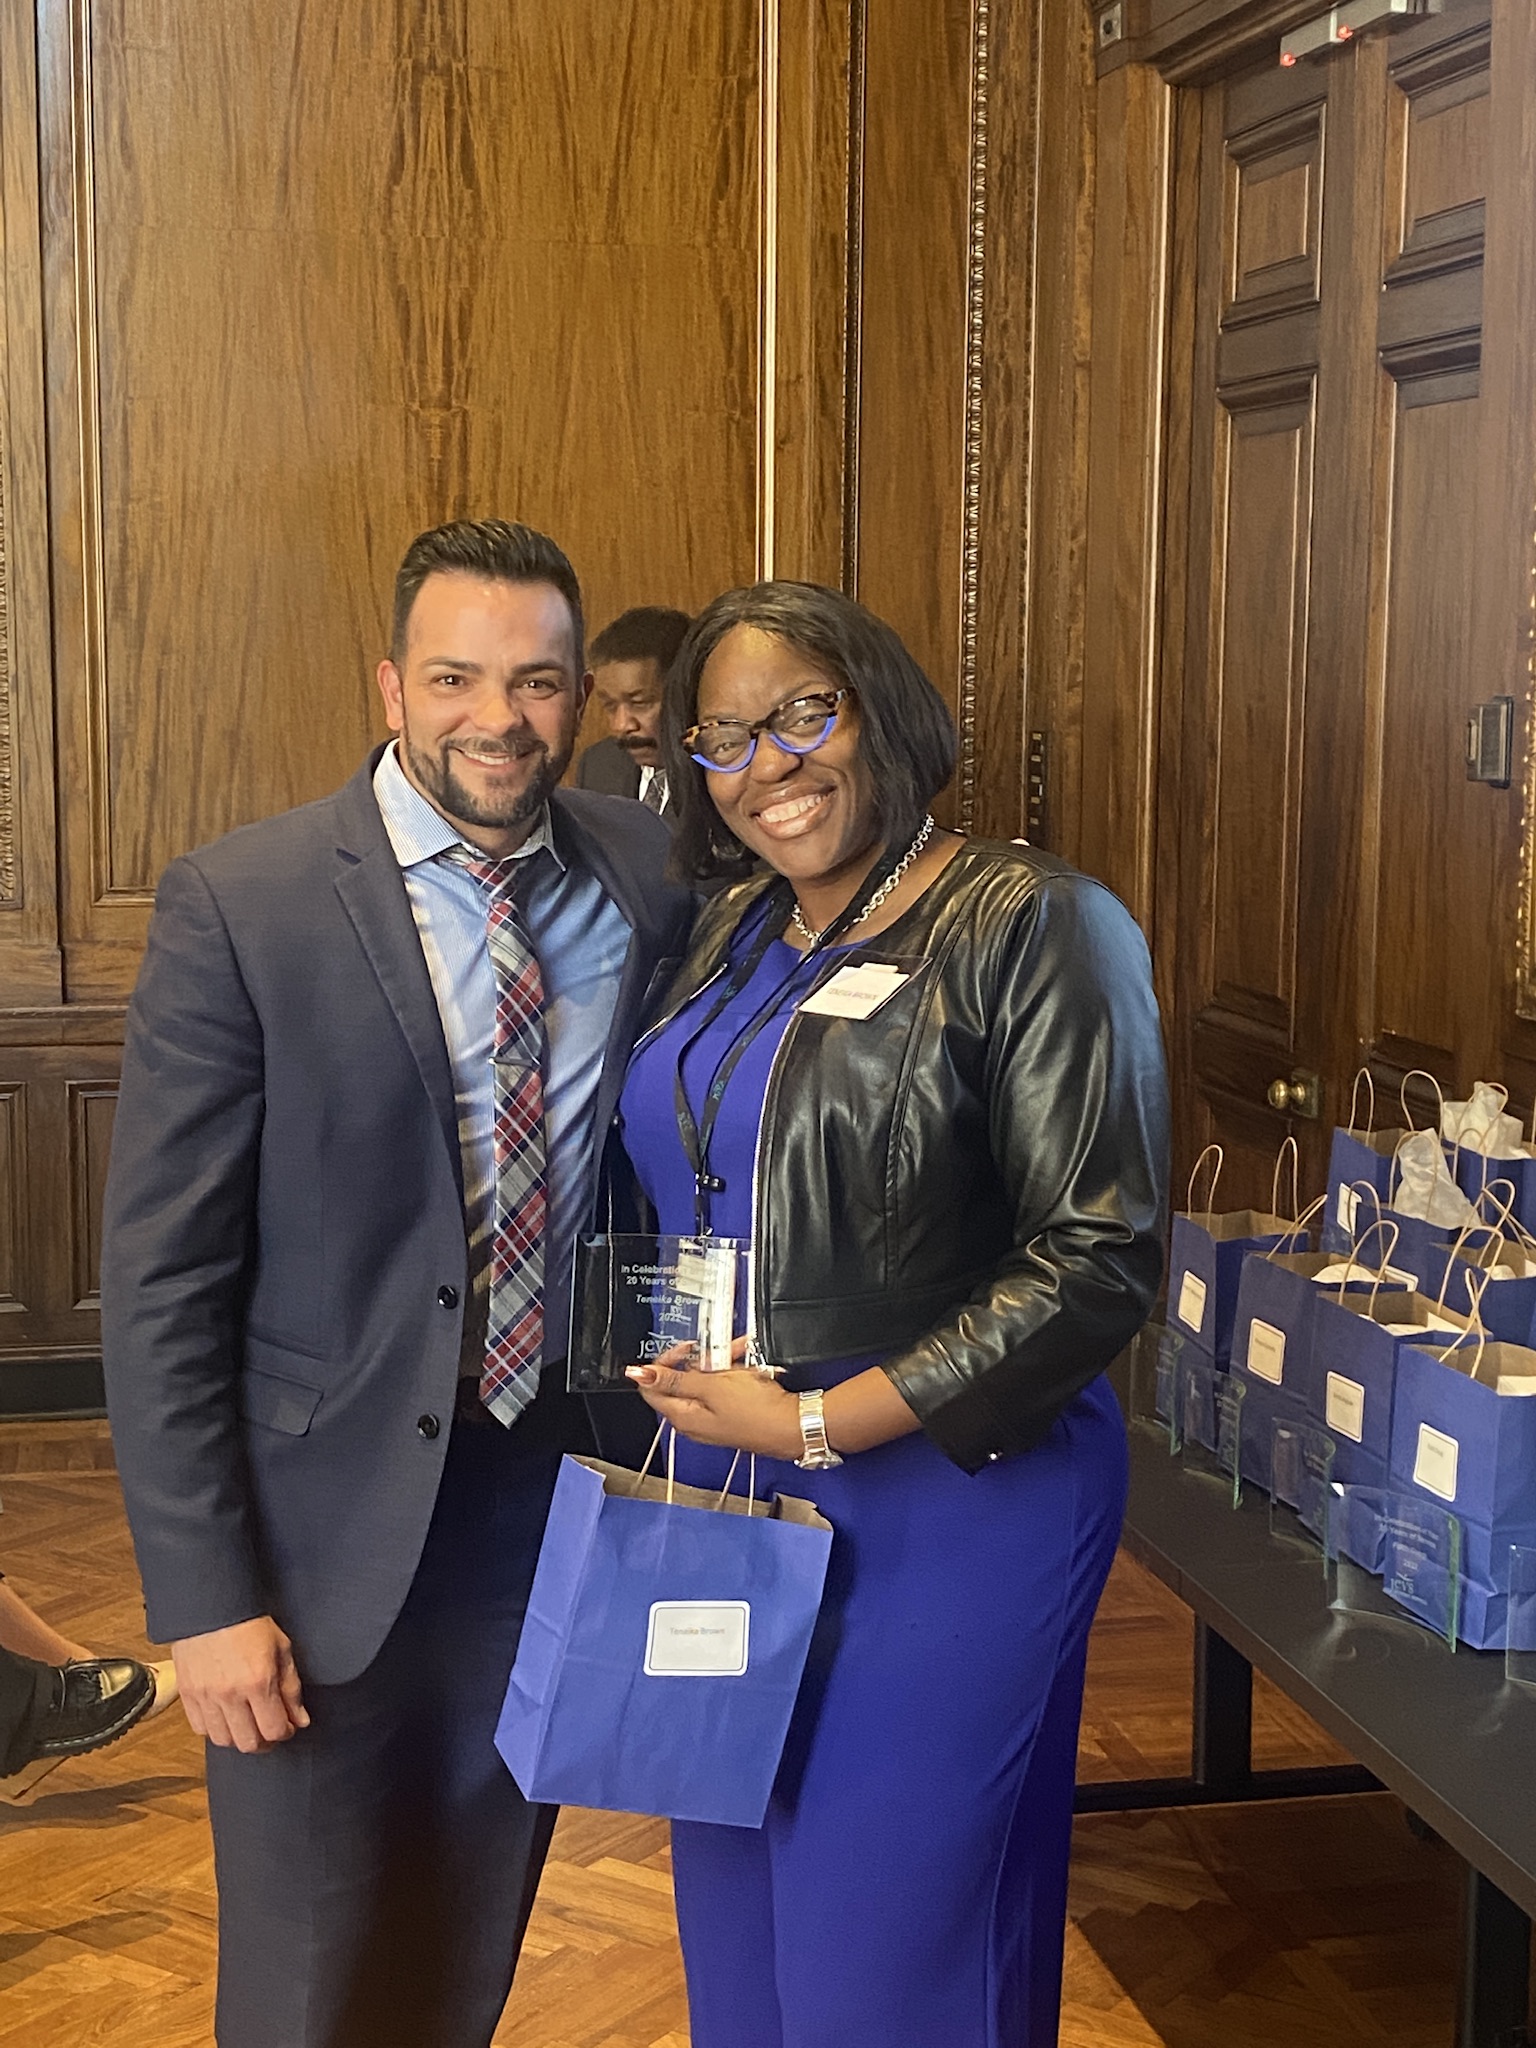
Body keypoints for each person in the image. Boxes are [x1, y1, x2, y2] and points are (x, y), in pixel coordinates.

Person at [100, 520, 693, 2048]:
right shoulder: (245, 902)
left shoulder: (648, 877)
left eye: (537, 682)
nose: (499, 717)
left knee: (466, 1940)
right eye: (455, 677)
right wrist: (205, 1602)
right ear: (391, 686)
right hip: (318, 1534)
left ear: (580, 697)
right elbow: (161, 1284)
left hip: (548, 1502)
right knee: (304, 1982)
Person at [613, 581, 1168, 2048]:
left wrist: (813, 1420)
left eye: (806, 711)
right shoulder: (734, 928)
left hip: (943, 1490)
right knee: (740, 1936)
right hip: (728, 1481)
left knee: (887, 1966)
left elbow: (1097, 1255)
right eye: (725, 737)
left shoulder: (1036, 922)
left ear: (884, 709)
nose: (770, 765)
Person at [575, 604, 691, 814]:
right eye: (610, 705)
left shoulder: (719, 774)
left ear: (686, 692)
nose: (621, 725)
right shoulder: (597, 766)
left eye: (640, 703)